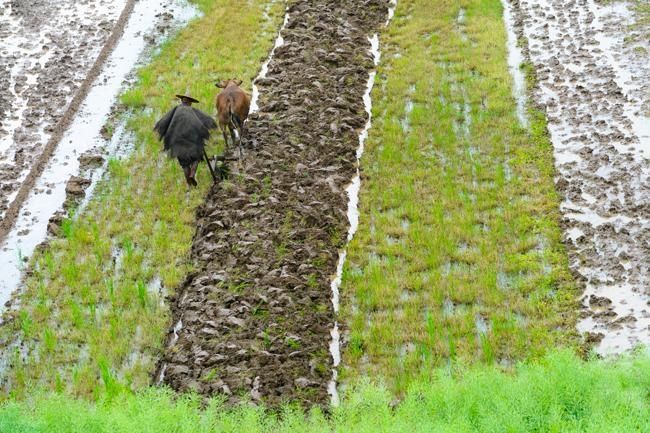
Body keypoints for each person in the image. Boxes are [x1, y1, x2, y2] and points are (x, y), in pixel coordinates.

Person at [154, 94, 218, 186]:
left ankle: (189, 184)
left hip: (176, 140)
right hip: (191, 138)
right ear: (190, 102)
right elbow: (204, 120)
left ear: (182, 101)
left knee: (184, 164)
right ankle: (192, 174)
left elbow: (163, 122)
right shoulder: (192, 111)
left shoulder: (175, 110)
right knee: (197, 157)